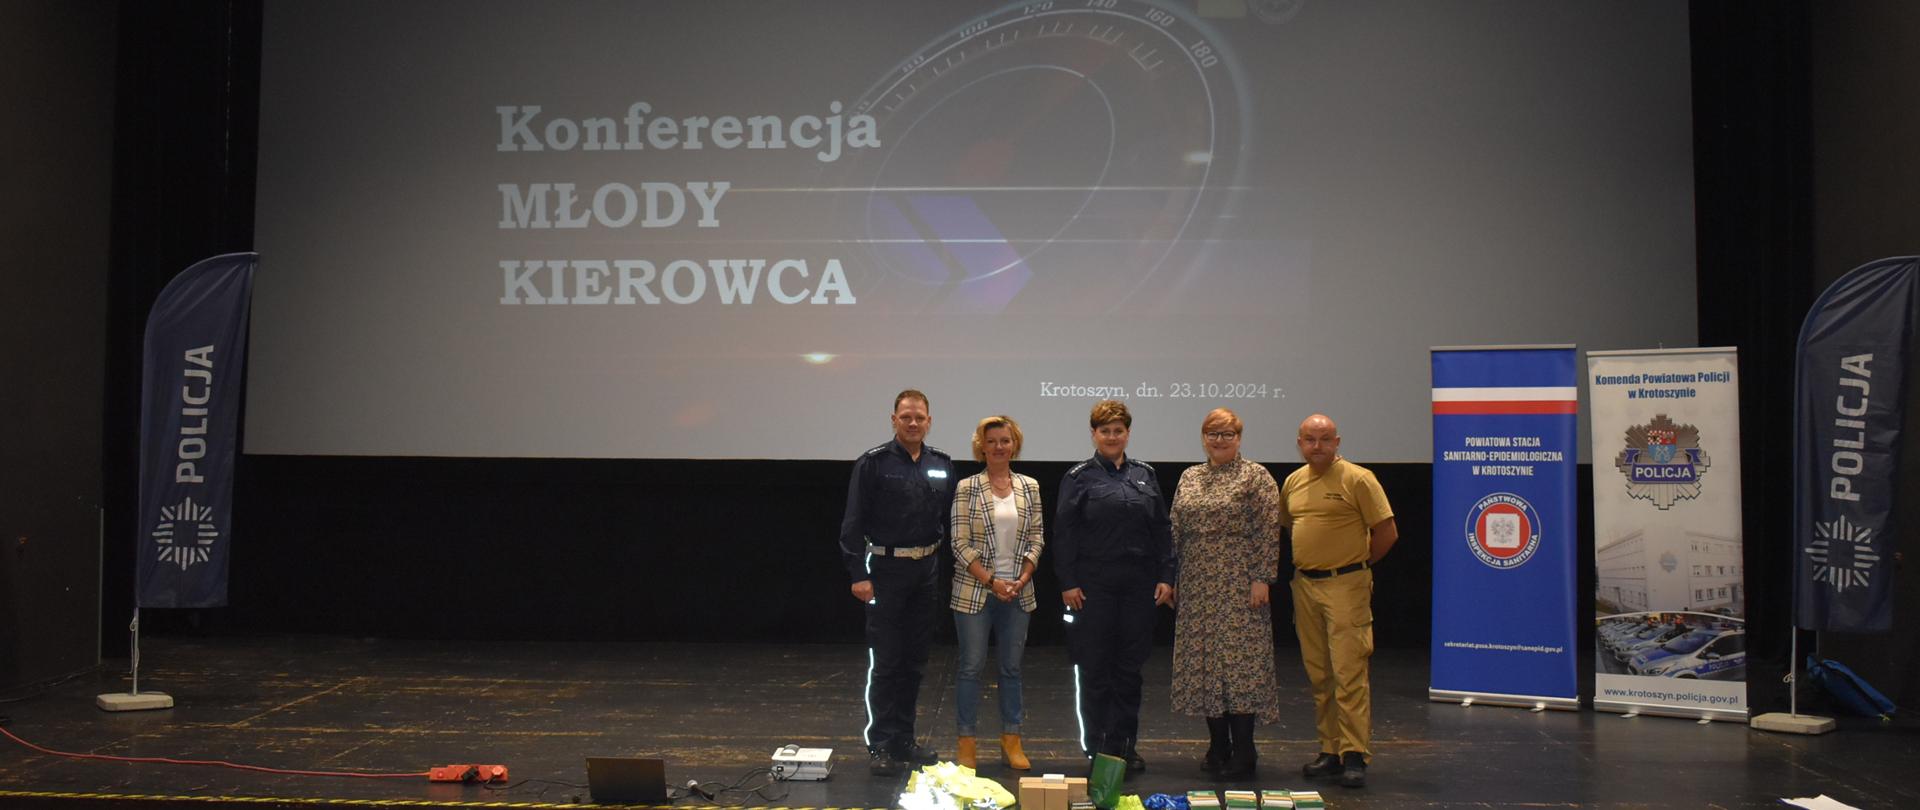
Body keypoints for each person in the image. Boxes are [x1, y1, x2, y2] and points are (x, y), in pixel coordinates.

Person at [1054, 399, 1176, 774]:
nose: (1112, 436)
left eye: (1118, 430)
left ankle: (1125, 746)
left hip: (1138, 587)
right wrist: (1068, 582)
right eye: (1104, 430)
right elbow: (1063, 534)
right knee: (1095, 670)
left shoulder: (1145, 475)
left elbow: (1161, 530)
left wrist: (1166, 576)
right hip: (1094, 587)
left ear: (1127, 433)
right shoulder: (1078, 478)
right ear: (1093, 434)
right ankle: (1098, 749)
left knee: (1129, 670)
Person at [840, 389, 954, 776]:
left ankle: (905, 739)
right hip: (885, 573)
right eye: (905, 417)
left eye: (919, 417)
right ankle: (882, 744)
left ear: (929, 421)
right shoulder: (872, 463)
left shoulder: (942, 464)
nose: (913, 423)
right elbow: (853, 523)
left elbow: (946, 521)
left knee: (915, 662)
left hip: (926, 572)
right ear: (893, 420)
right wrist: (859, 574)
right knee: (886, 662)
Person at [1280, 414, 1397, 789]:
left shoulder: (1359, 479)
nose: (1318, 446)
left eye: (1325, 439)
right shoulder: (1294, 482)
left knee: (1349, 672)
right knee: (1320, 674)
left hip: (1345, 585)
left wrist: (1356, 566)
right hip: (1305, 586)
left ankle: (1354, 755)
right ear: (1299, 443)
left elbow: (1386, 532)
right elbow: (1289, 526)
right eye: (1310, 440)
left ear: (1337, 441)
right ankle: (1329, 751)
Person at [1170, 408, 1281, 779]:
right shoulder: (1190, 476)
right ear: (1203, 437)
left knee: (1239, 665)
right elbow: (1175, 530)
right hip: (1198, 582)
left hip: (1240, 582)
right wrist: (1173, 578)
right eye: (1212, 433)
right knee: (1204, 664)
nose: (1219, 439)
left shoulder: (1256, 476)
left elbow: (1268, 529)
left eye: (1227, 433)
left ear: (1239, 437)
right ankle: (1218, 745)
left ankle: (1245, 751)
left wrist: (1262, 577)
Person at [948, 415, 1044, 771]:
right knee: (971, 668)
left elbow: (1037, 538)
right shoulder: (966, 487)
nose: (999, 446)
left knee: (1011, 669)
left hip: (1019, 591)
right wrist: (992, 581)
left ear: (1013, 444)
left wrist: (1020, 578)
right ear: (982, 447)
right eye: (992, 441)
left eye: (1005, 440)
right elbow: (958, 544)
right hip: (975, 592)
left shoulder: (1030, 486)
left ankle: (1011, 740)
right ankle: (967, 743)